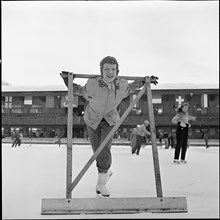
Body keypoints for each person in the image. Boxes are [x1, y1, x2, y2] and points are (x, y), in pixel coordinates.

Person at [62, 56, 158, 197]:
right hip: (92, 120)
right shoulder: (92, 84)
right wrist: (67, 81)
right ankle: (106, 172)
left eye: (113, 69)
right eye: (106, 69)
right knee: (97, 151)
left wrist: (145, 81)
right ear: (101, 70)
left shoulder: (122, 85)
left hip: (110, 120)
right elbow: (79, 90)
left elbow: (132, 87)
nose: (110, 72)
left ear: (117, 71)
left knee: (104, 148)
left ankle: (101, 184)